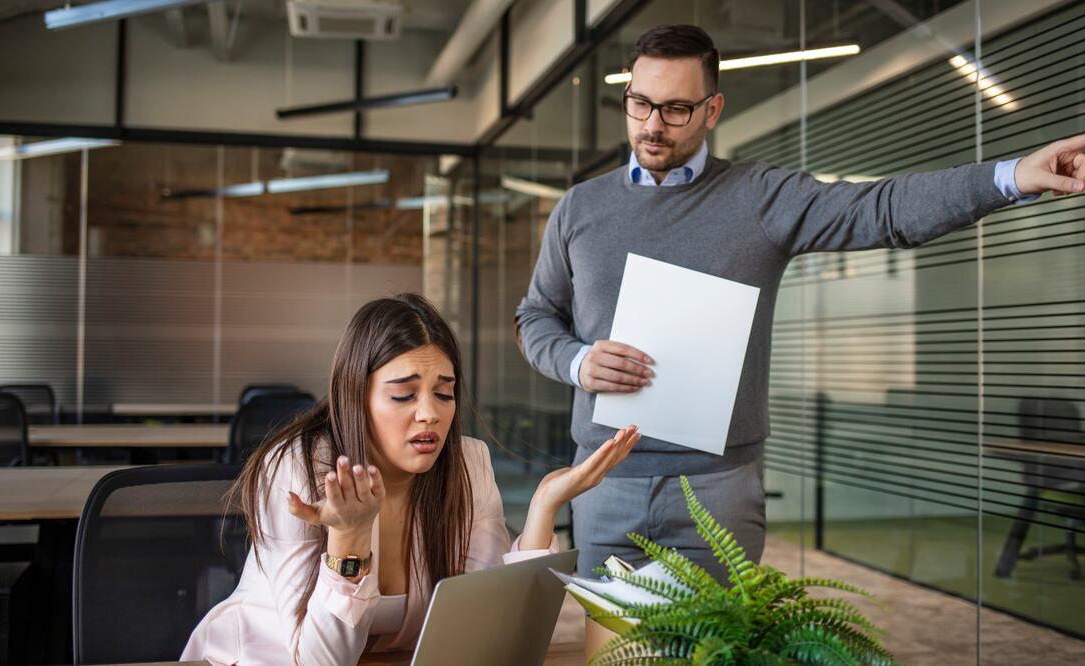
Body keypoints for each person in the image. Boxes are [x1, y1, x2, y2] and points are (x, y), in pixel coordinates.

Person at [514, 24, 1085, 579]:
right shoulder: (580, 208)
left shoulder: (761, 197)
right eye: (640, 103)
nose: (653, 125)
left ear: (713, 110)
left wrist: (1011, 177)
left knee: (719, 650)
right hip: (602, 482)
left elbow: (883, 209)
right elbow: (535, 317)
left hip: (718, 489)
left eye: (676, 109)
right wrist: (576, 361)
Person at [182, 293, 639, 665]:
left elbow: (493, 632)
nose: (430, 414)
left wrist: (542, 509)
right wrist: (349, 537)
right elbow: (322, 661)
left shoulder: (467, 463)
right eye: (403, 395)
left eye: (444, 393)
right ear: (355, 396)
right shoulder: (299, 468)